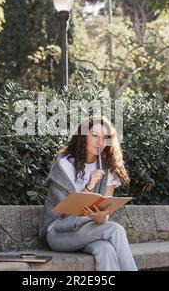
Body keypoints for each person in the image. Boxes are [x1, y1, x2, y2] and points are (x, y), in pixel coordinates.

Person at [38, 116, 138, 271]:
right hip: (59, 232)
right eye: (95, 136)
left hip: (88, 230)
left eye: (105, 137)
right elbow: (62, 211)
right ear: (83, 137)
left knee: (106, 249)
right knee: (116, 229)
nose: (100, 142)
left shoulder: (108, 170)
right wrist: (89, 186)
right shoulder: (65, 165)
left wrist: (100, 217)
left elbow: (105, 215)